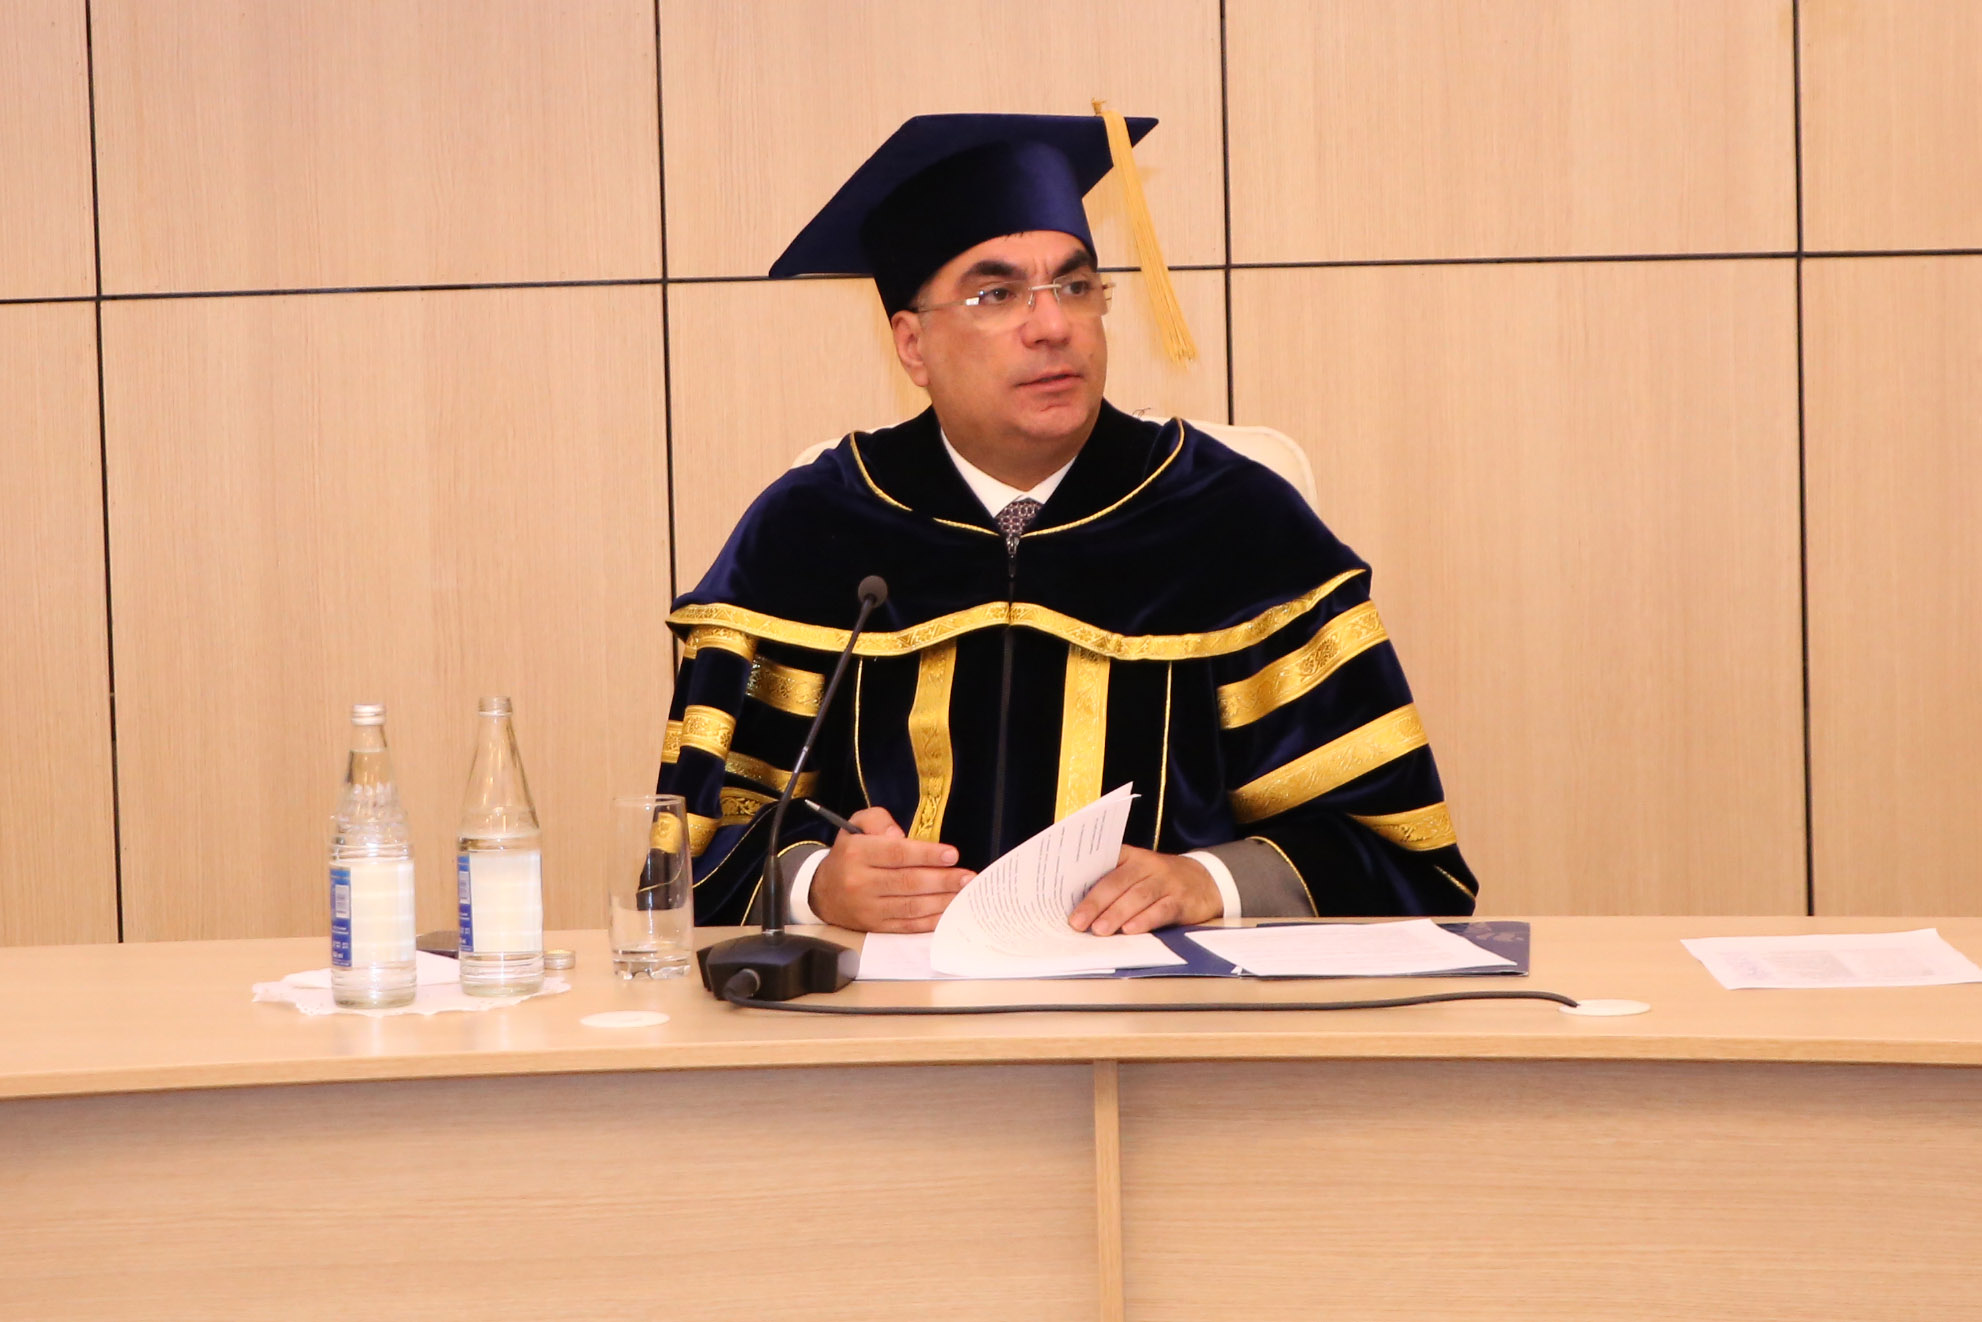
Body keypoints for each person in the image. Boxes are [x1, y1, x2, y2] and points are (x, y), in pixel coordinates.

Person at [661, 111, 1476, 935]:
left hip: (1168, 1003)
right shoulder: (810, 532)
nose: (1053, 326)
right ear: (912, 346)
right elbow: (688, 850)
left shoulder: (1235, 524)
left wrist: (1208, 881)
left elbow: (1404, 858)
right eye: (997, 294)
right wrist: (815, 886)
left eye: (1077, 287)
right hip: (896, 1007)